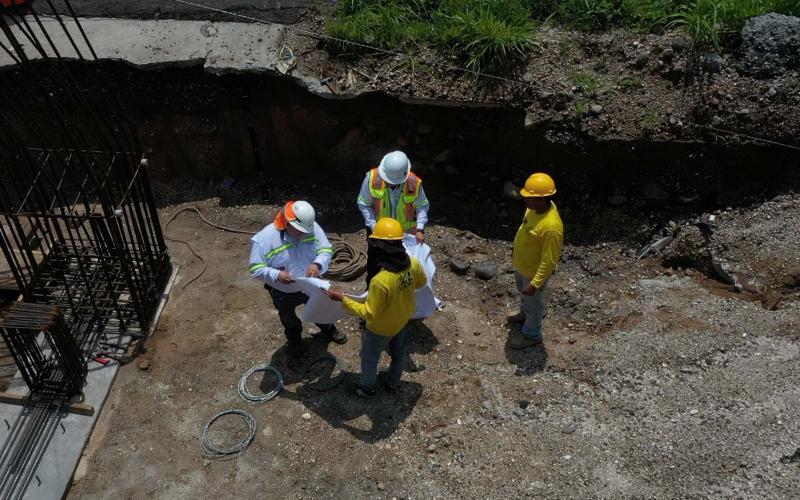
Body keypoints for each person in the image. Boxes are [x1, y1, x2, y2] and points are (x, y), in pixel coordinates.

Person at [325, 218, 427, 397]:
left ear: (380, 249)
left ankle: (367, 388)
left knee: (370, 359)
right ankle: (393, 382)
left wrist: (342, 299)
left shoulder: (380, 281)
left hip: (380, 329)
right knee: (399, 353)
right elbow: (421, 283)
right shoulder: (413, 263)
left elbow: (369, 313)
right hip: (403, 320)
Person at [249, 200, 346, 358]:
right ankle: (294, 342)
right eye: (298, 230)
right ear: (286, 222)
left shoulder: (311, 227)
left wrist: (318, 264)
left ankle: (328, 329)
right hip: (283, 290)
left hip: (311, 284)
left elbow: (326, 249)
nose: (303, 234)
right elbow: (255, 268)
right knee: (289, 320)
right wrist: (277, 275)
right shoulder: (265, 239)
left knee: (319, 308)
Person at [507, 173, 564, 349]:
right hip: (522, 266)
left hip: (533, 273)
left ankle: (532, 334)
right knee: (525, 296)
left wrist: (535, 284)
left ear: (542, 199)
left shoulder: (552, 227)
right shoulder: (534, 208)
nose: (525, 199)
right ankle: (525, 313)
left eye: (529, 197)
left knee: (534, 303)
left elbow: (549, 260)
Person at [357, 150, 430, 286]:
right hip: (378, 232)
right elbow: (363, 204)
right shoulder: (372, 178)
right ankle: (371, 290)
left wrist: (420, 229)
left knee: (401, 265)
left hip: (403, 234)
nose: (390, 184)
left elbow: (422, 207)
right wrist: (374, 227)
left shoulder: (414, 183)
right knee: (375, 262)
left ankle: (398, 293)